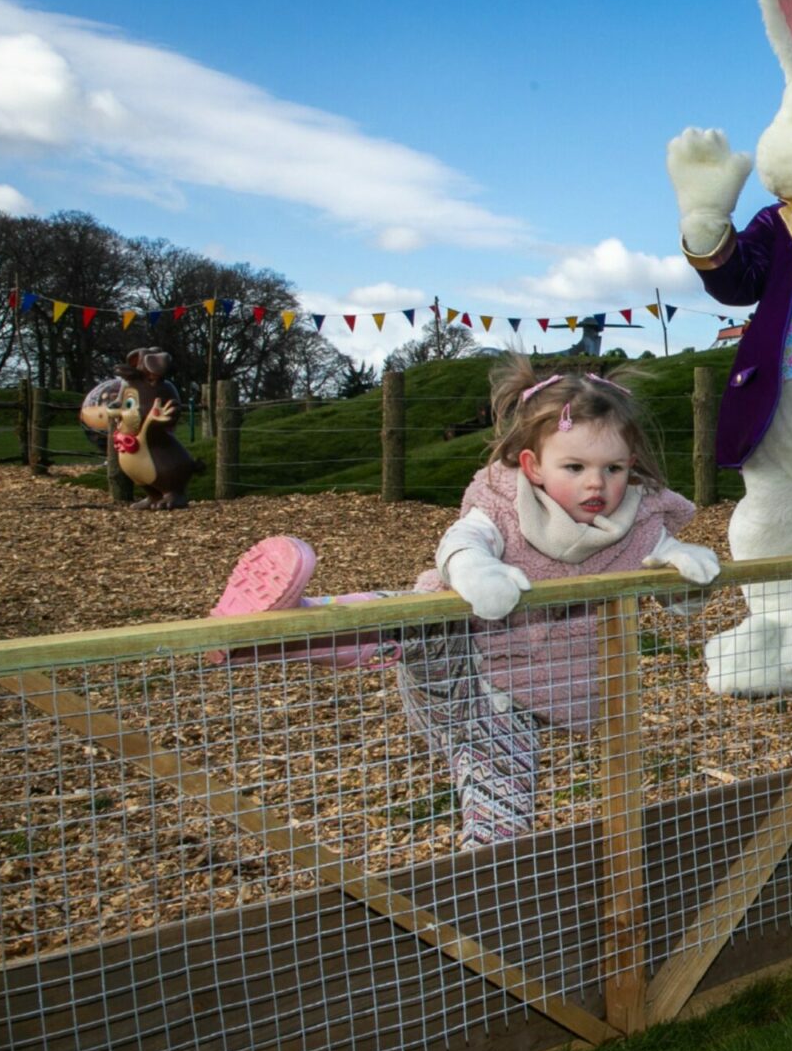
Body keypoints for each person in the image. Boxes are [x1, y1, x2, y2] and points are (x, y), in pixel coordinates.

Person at [205, 355, 720, 848]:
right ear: (533, 467)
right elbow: (461, 543)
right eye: (575, 466)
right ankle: (282, 626)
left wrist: (683, 576)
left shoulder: (638, 524)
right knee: (417, 614)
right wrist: (478, 570)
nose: (596, 483)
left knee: (501, 800)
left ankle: (486, 889)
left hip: (526, 695)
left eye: (613, 469)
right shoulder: (502, 504)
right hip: (456, 662)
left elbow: (668, 585)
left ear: (630, 466)